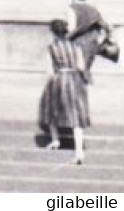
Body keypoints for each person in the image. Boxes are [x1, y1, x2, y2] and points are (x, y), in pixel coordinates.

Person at [40, 18, 91, 165]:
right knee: (76, 115)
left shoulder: (51, 48)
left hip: (59, 79)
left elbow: (49, 70)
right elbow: (81, 66)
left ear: (53, 32)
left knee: (51, 109)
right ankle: (79, 152)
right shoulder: (76, 46)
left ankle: (55, 140)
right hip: (74, 79)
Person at [67, 0, 115, 72]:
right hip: (92, 44)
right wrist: (104, 40)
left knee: (77, 71)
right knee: (86, 70)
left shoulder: (72, 8)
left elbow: (72, 28)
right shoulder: (93, 9)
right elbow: (106, 26)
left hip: (77, 44)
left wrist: (64, 39)